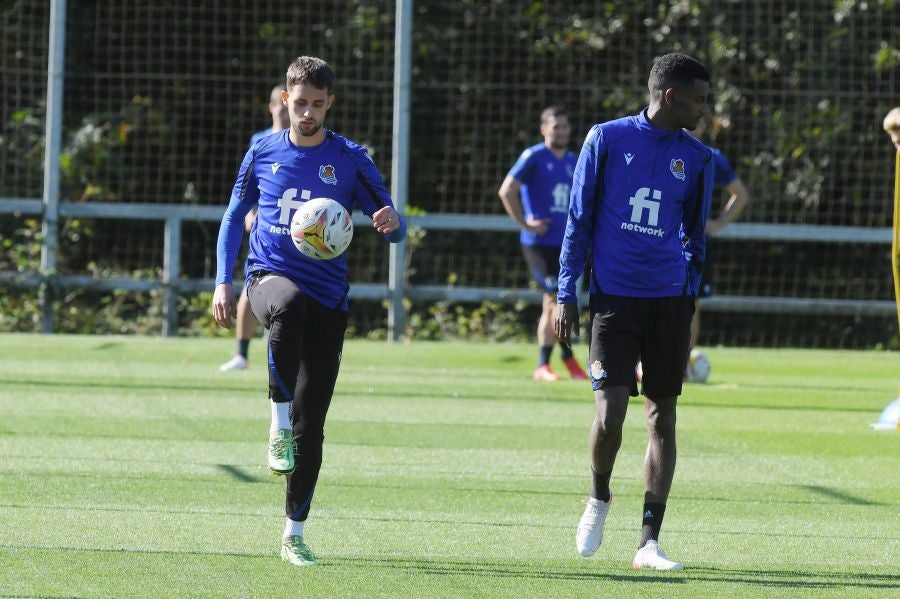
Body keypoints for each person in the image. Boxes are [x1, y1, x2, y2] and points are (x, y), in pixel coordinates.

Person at [212, 56, 406, 567]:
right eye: (300, 104)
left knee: (312, 425)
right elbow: (234, 217)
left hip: (329, 299)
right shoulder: (262, 151)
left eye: (318, 105)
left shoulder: (350, 158)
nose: (307, 113)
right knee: (287, 304)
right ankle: (274, 422)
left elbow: (391, 221)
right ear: (285, 101)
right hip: (267, 281)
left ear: (329, 104)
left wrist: (390, 220)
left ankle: (293, 532)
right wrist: (221, 281)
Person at [554, 53, 714, 571]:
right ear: (670, 96)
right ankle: (599, 496)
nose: (704, 110)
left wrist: (688, 292)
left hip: (668, 303)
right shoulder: (606, 139)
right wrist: (566, 293)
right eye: (698, 99)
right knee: (611, 413)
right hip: (613, 301)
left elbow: (695, 233)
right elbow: (578, 220)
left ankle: (648, 542)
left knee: (662, 416)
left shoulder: (698, 156)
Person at [498, 106, 588, 382]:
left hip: (566, 246)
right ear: (543, 129)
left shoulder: (574, 161)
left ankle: (545, 364)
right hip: (538, 245)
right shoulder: (534, 156)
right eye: (555, 127)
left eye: (564, 127)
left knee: (553, 303)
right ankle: (564, 359)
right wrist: (525, 224)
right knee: (554, 297)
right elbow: (507, 190)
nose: (561, 131)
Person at [219, 84, 291, 372]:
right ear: (272, 107)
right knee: (252, 286)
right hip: (263, 230)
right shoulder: (260, 141)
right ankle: (241, 354)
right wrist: (250, 214)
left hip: (293, 230)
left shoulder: (304, 143)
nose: (286, 114)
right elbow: (248, 187)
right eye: (282, 107)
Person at [686, 114, 751, 354]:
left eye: (697, 123)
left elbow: (740, 194)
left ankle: (680, 368)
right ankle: (645, 363)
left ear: (702, 128)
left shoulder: (711, 157)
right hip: (660, 241)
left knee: (690, 306)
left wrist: (717, 223)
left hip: (695, 246)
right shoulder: (661, 152)